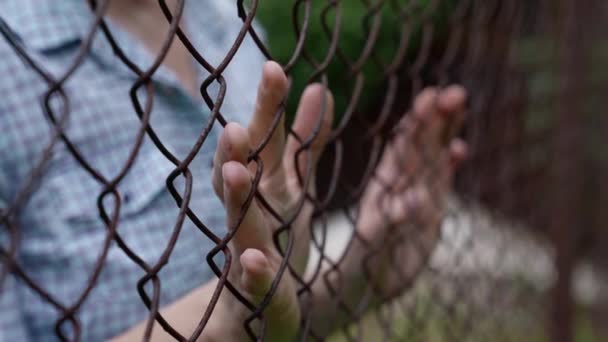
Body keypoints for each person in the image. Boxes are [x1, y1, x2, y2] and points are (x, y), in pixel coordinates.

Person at [0, 0, 467, 340]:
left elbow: (268, 323)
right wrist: (221, 319)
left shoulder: (228, 20)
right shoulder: (12, 58)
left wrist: (355, 276)